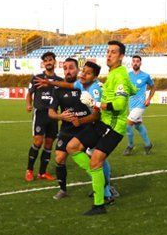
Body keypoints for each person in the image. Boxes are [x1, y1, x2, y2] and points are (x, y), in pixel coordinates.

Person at [65, 41, 136, 215]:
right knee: (72, 147)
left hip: (113, 127)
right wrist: (128, 89)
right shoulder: (115, 74)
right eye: (108, 51)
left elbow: (119, 104)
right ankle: (99, 179)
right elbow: (132, 89)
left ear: (121, 56)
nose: (109, 55)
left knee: (95, 161)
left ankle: (99, 205)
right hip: (103, 123)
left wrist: (94, 103)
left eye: (113, 52)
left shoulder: (120, 76)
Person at [41, 60, 116, 201]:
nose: (68, 71)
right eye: (65, 68)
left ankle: (105, 187)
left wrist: (80, 120)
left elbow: (97, 113)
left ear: (77, 69)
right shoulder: (59, 89)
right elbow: (51, 112)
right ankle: (63, 189)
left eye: (71, 68)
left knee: (96, 157)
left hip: (87, 127)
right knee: (59, 158)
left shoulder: (86, 86)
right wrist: (60, 116)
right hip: (67, 129)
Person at [25, 51, 61, 181]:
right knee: (38, 142)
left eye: (50, 60)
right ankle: (29, 170)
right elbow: (29, 93)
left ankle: (42, 172)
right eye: (46, 60)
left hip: (53, 116)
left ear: (54, 62)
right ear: (43, 63)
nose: (48, 62)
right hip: (40, 114)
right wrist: (28, 104)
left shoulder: (59, 81)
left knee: (49, 144)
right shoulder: (36, 78)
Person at [124, 55, 155, 155]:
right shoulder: (128, 75)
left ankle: (130, 146)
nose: (135, 63)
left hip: (141, 104)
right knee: (138, 126)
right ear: (132, 63)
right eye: (134, 61)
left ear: (140, 63)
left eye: (137, 61)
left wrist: (149, 99)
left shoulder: (145, 76)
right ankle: (148, 144)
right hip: (131, 104)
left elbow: (153, 87)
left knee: (128, 125)